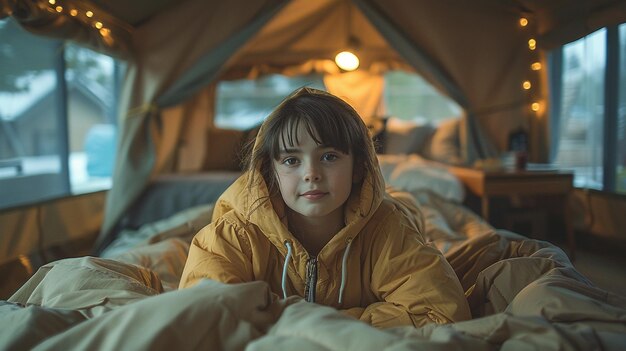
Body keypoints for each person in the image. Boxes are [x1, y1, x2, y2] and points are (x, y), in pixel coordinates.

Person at [179, 87, 470, 328]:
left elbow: (439, 312)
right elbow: (203, 317)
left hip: (393, 207)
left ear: (357, 168)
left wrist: (303, 323)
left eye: (329, 157)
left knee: (406, 206)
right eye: (292, 161)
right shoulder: (234, 235)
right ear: (272, 173)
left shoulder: (387, 228)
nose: (311, 173)